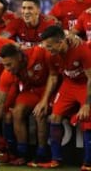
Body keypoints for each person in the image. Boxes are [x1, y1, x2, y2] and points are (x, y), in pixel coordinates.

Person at [34, 25, 91, 170]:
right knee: (54, 117)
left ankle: (88, 163)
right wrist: (44, 100)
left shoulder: (82, 50)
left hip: (85, 84)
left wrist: (87, 104)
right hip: (68, 85)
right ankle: (56, 159)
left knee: (87, 117)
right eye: (46, 46)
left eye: (50, 46)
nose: (48, 49)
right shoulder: (49, 54)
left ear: (61, 42)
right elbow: (53, 76)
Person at [0, 43, 50, 166]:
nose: (7, 68)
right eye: (4, 65)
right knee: (17, 112)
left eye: (9, 64)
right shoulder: (7, 74)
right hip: (31, 91)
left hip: (49, 89)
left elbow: (55, 71)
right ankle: (22, 154)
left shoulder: (38, 52)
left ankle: (42, 154)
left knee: (40, 114)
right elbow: (0, 102)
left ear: (19, 58)